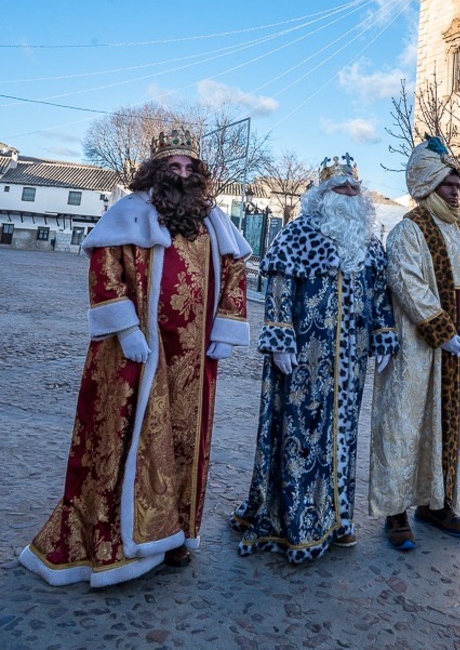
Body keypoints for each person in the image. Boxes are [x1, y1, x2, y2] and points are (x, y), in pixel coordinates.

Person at [19, 127, 252, 587]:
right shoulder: (129, 212)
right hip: (139, 355)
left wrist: (226, 326)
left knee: (186, 443)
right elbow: (105, 270)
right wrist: (125, 328)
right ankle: (119, 544)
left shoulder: (212, 219)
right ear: (156, 171)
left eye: (189, 168)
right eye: (173, 167)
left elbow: (236, 268)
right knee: (127, 438)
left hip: (193, 359)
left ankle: (178, 534)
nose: (182, 174)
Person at [232, 153, 398, 563]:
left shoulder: (369, 244)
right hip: (305, 358)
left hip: (351, 362)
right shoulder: (296, 235)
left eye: (354, 188)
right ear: (322, 194)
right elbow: (279, 291)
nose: (348, 194)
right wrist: (280, 338)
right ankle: (297, 522)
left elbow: (379, 296)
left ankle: (337, 518)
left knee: (342, 438)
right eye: (340, 187)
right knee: (302, 435)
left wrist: (382, 338)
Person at [369, 136, 460, 550]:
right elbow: (407, 283)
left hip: (454, 352)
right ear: (427, 187)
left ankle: (437, 504)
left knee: (446, 428)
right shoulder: (408, 231)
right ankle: (396, 511)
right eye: (447, 186)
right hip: (416, 350)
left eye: (458, 186)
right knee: (405, 425)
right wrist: (441, 330)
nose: (455, 193)